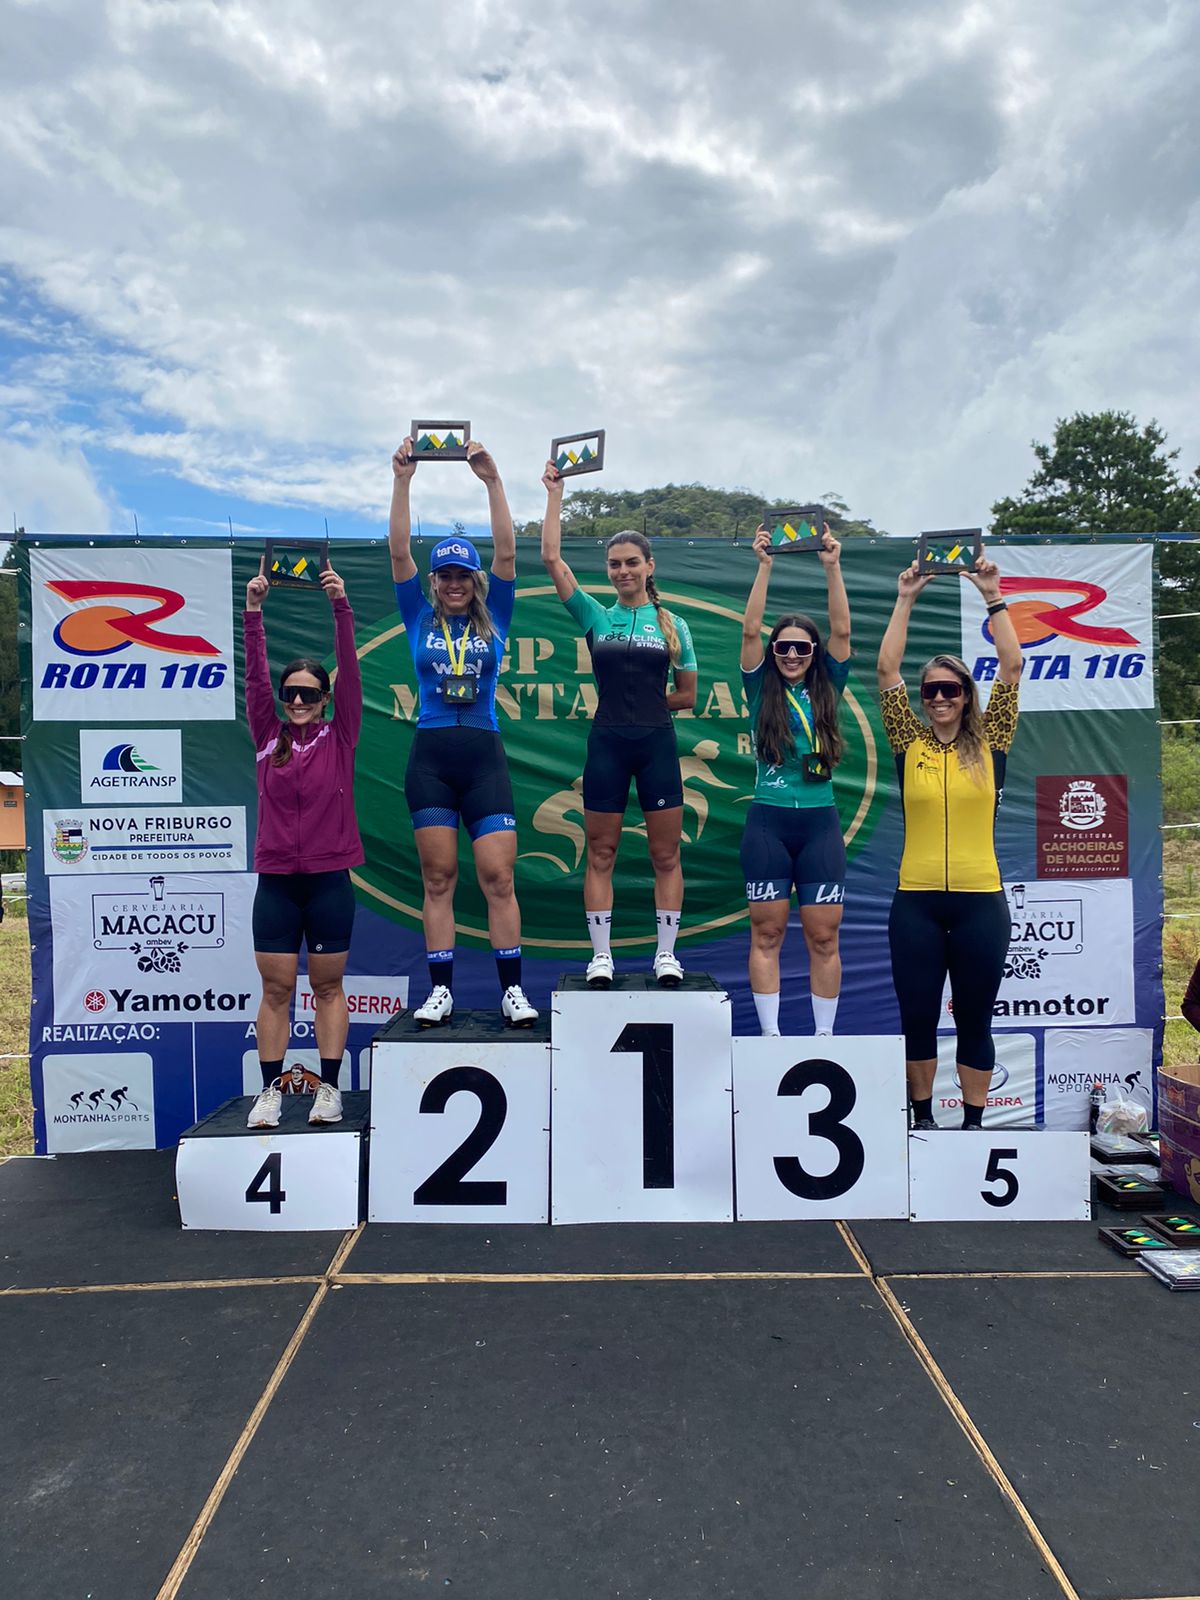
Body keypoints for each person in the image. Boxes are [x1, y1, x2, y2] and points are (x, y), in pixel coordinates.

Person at [390, 436, 537, 1028]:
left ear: (475, 580)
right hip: (430, 757)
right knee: (438, 878)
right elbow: (398, 550)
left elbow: (508, 552)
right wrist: (402, 480)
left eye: (463, 575)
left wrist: (493, 481)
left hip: (483, 757)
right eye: (445, 575)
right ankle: (441, 991)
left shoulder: (496, 615)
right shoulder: (416, 615)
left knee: (499, 878)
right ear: (434, 581)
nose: (454, 583)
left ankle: (512, 990)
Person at [876, 553, 1021, 1130]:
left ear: (966, 695)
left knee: (974, 1021)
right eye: (931, 690)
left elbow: (1011, 666)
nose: (939, 698)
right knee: (917, 1019)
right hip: (915, 903)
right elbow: (886, 669)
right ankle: (922, 1120)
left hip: (980, 901)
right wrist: (905, 597)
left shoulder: (993, 740)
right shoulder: (907, 741)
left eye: (950, 689)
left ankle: (974, 1128)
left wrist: (992, 595)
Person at [541, 462, 698, 986]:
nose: (623, 571)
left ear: (650, 566)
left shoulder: (674, 625)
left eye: (632, 562)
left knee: (665, 853)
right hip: (607, 743)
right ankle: (601, 956)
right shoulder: (594, 615)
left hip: (656, 745)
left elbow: (688, 695)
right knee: (601, 852)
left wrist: (649, 704)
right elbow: (551, 558)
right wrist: (556, 493)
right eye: (614, 564)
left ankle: (666, 955)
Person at [243, 563, 362, 1129]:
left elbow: (351, 670)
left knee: (328, 986)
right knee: (275, 989)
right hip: (277, 884)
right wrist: (253, 613)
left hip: (329, 881)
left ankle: (328, 1091)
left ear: (325, 697)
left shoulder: (341, 734)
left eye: (308, 693)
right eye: (290, 692)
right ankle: (270, 1093)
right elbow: (254, 678)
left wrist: (341, 606)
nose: (297, 700)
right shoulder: (267, 734)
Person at [740, 524, 851, 1037]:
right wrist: (764, 566)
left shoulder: (829, 685)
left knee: (824, 937)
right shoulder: (759, 686)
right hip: (769, 822)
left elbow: (842, 633)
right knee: (767, 933)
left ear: (813, 654)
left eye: (802, 649)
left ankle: (824, 1038)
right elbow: (749, 632)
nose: (790, 655)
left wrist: (833, 567)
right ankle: (771, 1037)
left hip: (819, 825)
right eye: (783, 647)